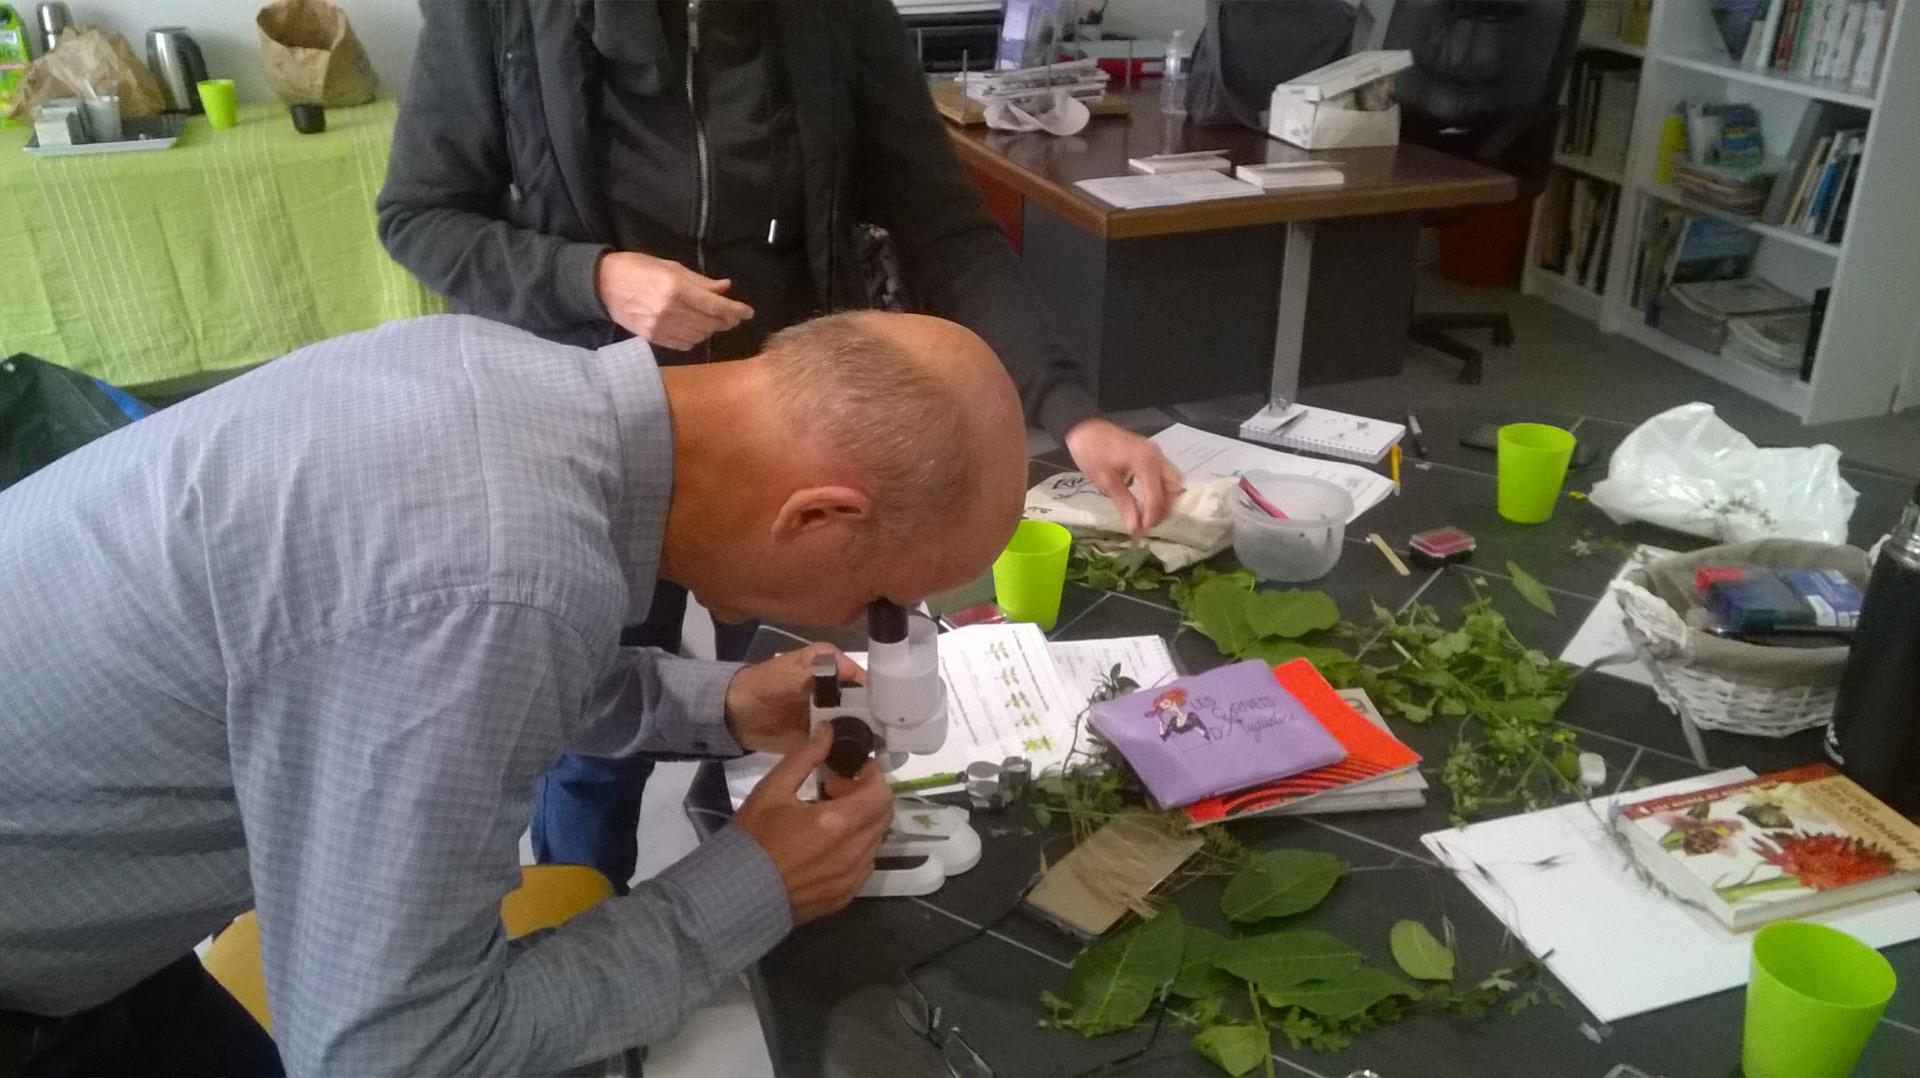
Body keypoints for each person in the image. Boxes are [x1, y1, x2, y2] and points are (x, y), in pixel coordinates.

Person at [0, 310, 1031, 1076]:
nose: (866, 621)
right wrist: (753, 883)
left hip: (89, 945)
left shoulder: (502, 382)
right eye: (880, 598)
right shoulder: (505, 575)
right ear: (816, 515)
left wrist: (715, 704)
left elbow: (406, 668)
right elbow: (392, 1052)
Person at [377, 0, 1184, 894]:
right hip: (598, 450)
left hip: (779, 451)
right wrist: (592, 277)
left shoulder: (833, 16)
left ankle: (773, 881)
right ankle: (581, 912)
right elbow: (421, 217)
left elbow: (942, 222)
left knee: (771, 693)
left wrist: (1071, 410)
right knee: (593, 728)